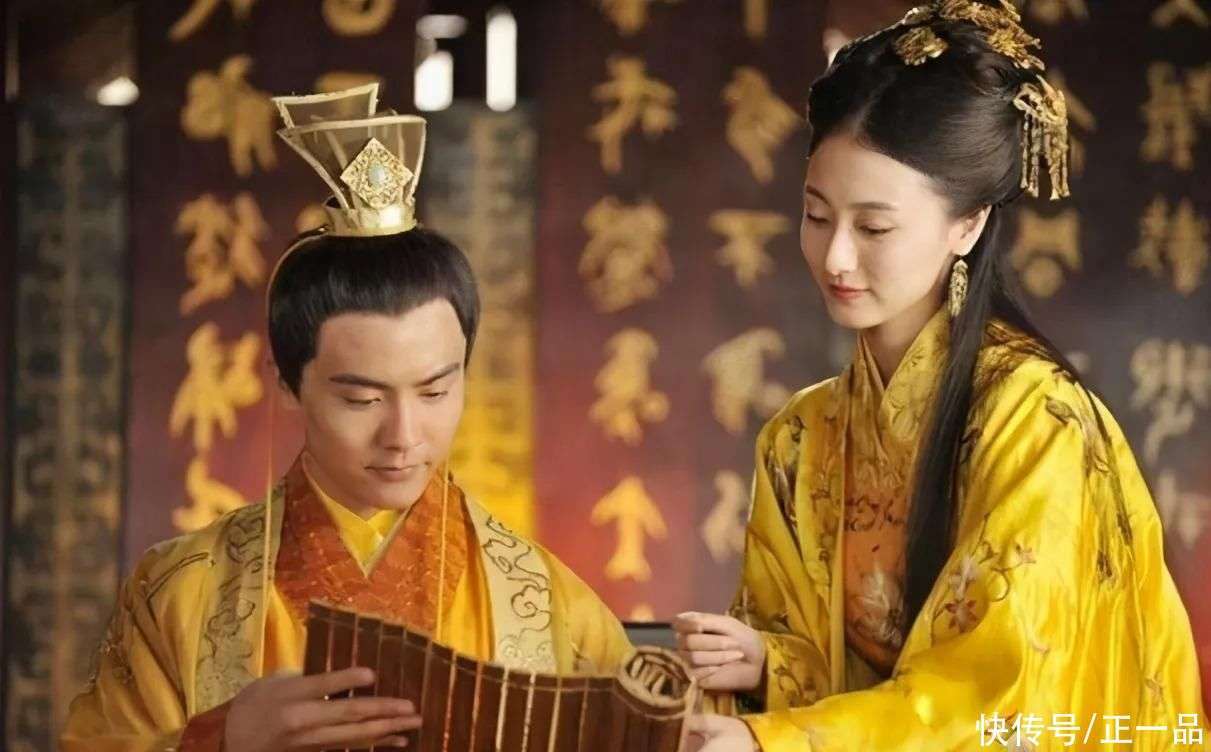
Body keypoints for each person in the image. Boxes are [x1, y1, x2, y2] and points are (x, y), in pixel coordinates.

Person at [676, 3, 1208, 750]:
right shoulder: (799, 439)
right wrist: (771, 665)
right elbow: (843, 663)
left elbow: (999, 698)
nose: (834, 256)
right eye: (816, 215)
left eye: (873, 226)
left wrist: (780, 741)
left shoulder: (1037, 424)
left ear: (968, 224)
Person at [62, 83, 631, 751]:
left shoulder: (548, 603)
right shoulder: (181, 594)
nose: (404, 437)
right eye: (362, 399)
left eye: (435, 392)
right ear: (286, 382)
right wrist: (222, 740)